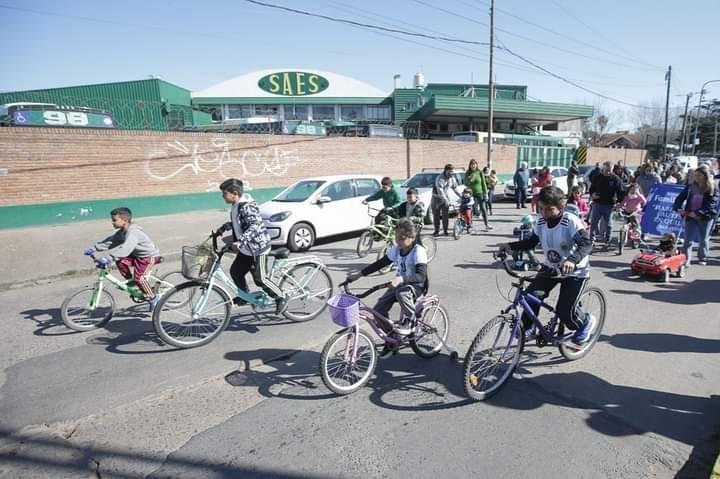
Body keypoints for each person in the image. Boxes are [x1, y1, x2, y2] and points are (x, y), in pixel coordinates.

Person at [499, 185, 595, 345]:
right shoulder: (541, 222)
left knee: (565, 312)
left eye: (549, 209)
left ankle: (585, 322)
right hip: (551, 267)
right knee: (531, 296)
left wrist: (572, 259)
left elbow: (586, 244)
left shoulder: (570, 221)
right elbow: (531, 242)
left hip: (575, 272)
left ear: (561, 207)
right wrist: (509, 246)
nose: (544, 213)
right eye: (541, 208)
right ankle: (528, 328)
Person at [348, 219, 429, 356]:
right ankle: (392, 339)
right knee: (378, 311)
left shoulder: (418, 251)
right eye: (396, 237)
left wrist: (402, 278)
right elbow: (380, 263)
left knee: (402, 294)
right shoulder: (397, 249)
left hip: (415, 286)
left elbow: (421, 277)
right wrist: (360, 274)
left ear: (412, 237)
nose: (398, 241)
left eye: (401, 238)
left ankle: (411, 320)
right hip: (399, 285)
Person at [217, 178, 285, 312]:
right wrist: (226, 227)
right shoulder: (236, 205)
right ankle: (245, 296)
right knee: (236, 272)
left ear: (234, 193)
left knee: (260, 279)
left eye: (224, 193)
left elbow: (256, 225)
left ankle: (281, 296)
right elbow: (241, 222)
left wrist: (241, 241)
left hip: (259, 248)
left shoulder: (247, 206)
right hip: (247, 248)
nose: (222, 196)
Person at [89, 207, 161, 311]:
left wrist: (109, 258)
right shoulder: (122, 231)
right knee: (121, 261)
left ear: (125, 220)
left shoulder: (133, 232)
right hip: (136, 255)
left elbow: (125, 249)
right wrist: (94, 248)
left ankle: (153, 297)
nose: (112, 222)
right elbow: (111, 241)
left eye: (114, 220)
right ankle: (130, 281)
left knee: (139, 278)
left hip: (148, 257)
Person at [673, 165, 717, 266]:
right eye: (695, 175)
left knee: (703, 239)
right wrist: (678, 208)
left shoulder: (712, 188)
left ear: (705, 176)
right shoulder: (690, 187)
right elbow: (680, 198)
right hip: (690, 215)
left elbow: (711, 204)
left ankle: (702, 257)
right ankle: (685, 260)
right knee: (688, 239)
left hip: (704, 217)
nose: (696, 177)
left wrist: (698, 213)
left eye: (699, 175)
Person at [588, 161, 622, 243]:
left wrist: (619, 202)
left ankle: (607, 239)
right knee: (593, 223)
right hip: (597, 203)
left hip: (609, 205)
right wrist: (592, 195)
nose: (608, 172)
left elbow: (620, 191)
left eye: (610, 170)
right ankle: (592, 239)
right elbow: (591, 188)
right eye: (606, 170)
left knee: (608, 224)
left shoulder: (615, 179)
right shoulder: (598, 177)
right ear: (603, 169)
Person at [464, 159, 493, 231]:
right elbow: (465, 183)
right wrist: (470, 179)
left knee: (483, 209)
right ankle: (469, 225)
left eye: (474, 164)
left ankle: (487, 225)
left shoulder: (479, 172)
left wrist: (486, 193)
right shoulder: (468, 173)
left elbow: (483, 183)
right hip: (470, 194)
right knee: (471, 209)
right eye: (472, 164)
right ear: (470, 165)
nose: (473, 166)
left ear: (476, 165)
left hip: (480, 193)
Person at [431, 163, 459, 236]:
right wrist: (446, 200)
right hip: (436, 198)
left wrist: (461, 196)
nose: (451, 173)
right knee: (436, 216)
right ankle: (436, 231)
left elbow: (455, 188)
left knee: (445, 216)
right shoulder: (440, 178)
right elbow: (440, 191)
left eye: (452, 171)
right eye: (449, 171)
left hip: (445, 198)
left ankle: (445, 231)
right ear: (446, 171)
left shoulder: (452, 178)